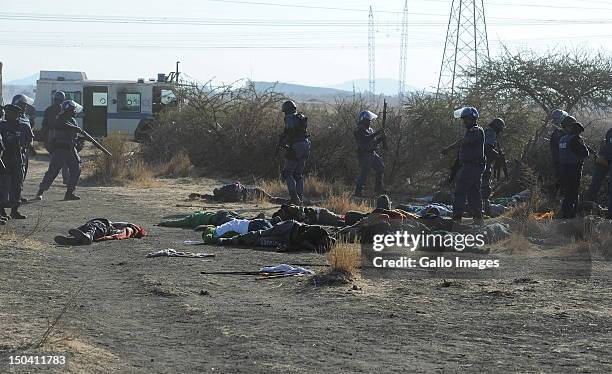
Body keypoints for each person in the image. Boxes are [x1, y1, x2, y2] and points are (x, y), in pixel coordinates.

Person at [35, 100, 83, 201]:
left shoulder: (72, 120)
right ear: (68, 110)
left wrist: (80, 139)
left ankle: (70, 193)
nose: (75, 112)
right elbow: (62, 125)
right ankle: (40, 192)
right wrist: (75, 128)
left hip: (71, 149)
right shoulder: (59, 119)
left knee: (76, 169)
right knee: (52, 171)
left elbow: (74, 135)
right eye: (73, 110)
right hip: (60, 149)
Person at [449, 107, 485, 225]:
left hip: (472, 167)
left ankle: (457, 218)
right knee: (473, 192)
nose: (464, 122)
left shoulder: (475, 131)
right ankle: (478, 218)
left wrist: (448, 148)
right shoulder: (472, 131)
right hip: (473, 167)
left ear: (473, 119)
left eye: (466, 119)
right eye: (464, 119)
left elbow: (463, 142)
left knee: (460, 191)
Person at [0, 104, 34, 220]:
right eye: (7, 112)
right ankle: (2, 210)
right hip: (4, 157)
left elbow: (30, 141)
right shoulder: (1, 125)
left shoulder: (24, 126)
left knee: (17, 184)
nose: (9, 115)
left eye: (13, 113)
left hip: (18, 158)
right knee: (3, 184)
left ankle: (15, 210)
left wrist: (25, 145)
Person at [218, 219, 335, 252]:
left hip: (286, 240)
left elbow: (298, 244)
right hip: (288, 227)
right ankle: (230, 240)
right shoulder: (320, 231)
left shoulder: (317, 246)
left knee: (261, 241)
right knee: (260, 234)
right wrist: (312, 247)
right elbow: (302, 237)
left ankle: (233, 241)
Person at [278, 100, 311, 205]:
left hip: (296, 146)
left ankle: (294, 198)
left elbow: (290, 132)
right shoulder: (300, 116)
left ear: (286, 109)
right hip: (306, 145)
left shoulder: (289, 117)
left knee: (287, 173)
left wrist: (283, 143)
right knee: (298, 174)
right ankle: (299, 198)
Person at [558, 121, 589, 219]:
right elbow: (585, 153)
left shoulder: (563, 139)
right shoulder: (576, 139)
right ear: (578, 131)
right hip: (574, 169)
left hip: (563, 169)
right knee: (573, 192)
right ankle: (571, 214)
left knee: (566, 192)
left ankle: (564, 212)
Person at [354, 110, 385, 197]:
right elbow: (365, 139)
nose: (370, 122)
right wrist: (377, 133)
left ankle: (378, 188)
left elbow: (373, 142)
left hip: (372, 153)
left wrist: (381, 138)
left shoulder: (370, 130)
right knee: (364, 173)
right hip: (364, 154)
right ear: (364, 120)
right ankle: (358, 191)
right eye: (368, 120)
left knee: (381, 168)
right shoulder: (358, 130)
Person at [41, 91, 70, 184]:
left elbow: (44, 124)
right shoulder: (63, 110)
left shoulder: (49, 109)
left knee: (54, 158)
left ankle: (48, 180)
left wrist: (44, 137)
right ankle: (66, 179)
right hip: (60, 135)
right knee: (63, 158)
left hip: (51, 135)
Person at [11, 94, 35, 201]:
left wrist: (31, 146)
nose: (25, 107)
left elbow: (29, 133)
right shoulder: (9, 117)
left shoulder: (26, 117)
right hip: (12, 150)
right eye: (23, 105)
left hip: (23, 150)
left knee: (22, 173)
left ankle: (17, 195)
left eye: (25, 105)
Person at [54, 218, 146, 245]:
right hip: (93, 225)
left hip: (102, 227)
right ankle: (74, 239)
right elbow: (123, 224)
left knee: (92, 228)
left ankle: (87, 237)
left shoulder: (124, 230)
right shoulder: (125, 228)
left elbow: (119, 231)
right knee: (85, 228)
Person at [482, 118, 506, 215]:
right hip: (484, 164)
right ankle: (484, 209)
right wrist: (498, 156)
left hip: (480, 164)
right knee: (485, 188)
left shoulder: (485, 132)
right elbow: (487, 148)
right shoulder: (491, 133)